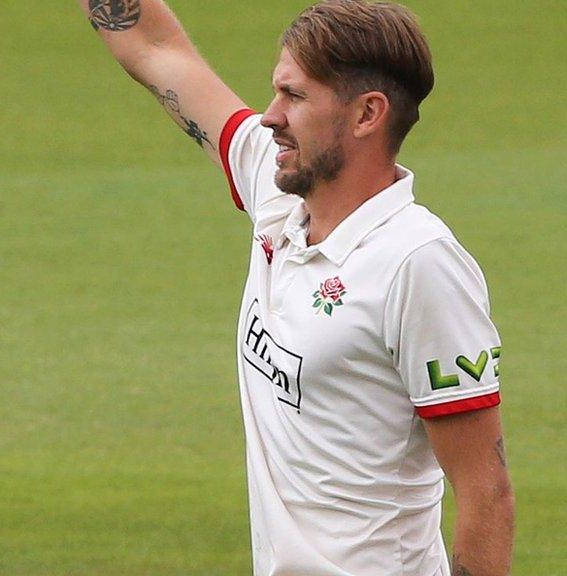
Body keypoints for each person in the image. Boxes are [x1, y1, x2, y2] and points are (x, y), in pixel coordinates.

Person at [77, 1, 515, 574]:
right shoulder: (280, 193)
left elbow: (486, 493)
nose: (269, 116)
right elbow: (157, 51)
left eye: (296, 96)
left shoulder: (417, 264)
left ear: (367, 115)